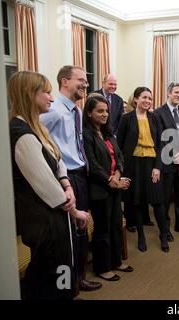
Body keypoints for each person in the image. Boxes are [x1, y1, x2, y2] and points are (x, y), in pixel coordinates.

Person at [8, 71, 90, 299]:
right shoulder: (20, 132)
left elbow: (58, 158)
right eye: (46, 92)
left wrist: (66, 183)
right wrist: (74, 210)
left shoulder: (35, 126)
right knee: (51, 273)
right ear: (29, 94)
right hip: (43, 221)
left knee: (60, 267)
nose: (51, 98)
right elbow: (44, 183)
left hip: (55, 216)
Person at [40, 65, 102, 293]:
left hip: (80, 175)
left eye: (86, 81)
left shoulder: (75, 110)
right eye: (81, 80)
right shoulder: (54, 111)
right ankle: (69, 285)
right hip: (66, 179)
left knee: (81, 228)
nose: (85, 84)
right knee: (68, 235)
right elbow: (36, 139)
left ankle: (79, 278)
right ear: (65, 82)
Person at [82, 95, 134, 281]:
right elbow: (92, 164)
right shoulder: (86, 135)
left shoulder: (108, 133)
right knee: (102, 229)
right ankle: (102, 268)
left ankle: (116, 261)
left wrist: (118, 177)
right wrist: (110, 180)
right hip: (99, 189)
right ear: (89, 113)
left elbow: (119, 156)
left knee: (115, 226)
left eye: (106, 111)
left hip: (115, 187)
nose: (105, 114)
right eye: (100, 111)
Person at [117, 87, 170, 252]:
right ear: (136, 100)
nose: (147, 101)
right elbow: (119, 144)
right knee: (138, 202)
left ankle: (163, 234)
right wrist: (121, 169)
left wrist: (157, 167)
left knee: (158, 202)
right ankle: (141, 236)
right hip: (133, 165)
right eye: (144, 97)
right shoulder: (127, 118)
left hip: (152, 164)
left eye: (150, 98)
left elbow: (161, 145)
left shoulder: (155, 118)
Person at [154, 82, 179, 238]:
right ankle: (165, 229)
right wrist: (174, 155)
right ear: (169, 93)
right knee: (165, 198)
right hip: (167, 162)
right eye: (176, 92)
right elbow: (159, 139)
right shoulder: (158, 113)